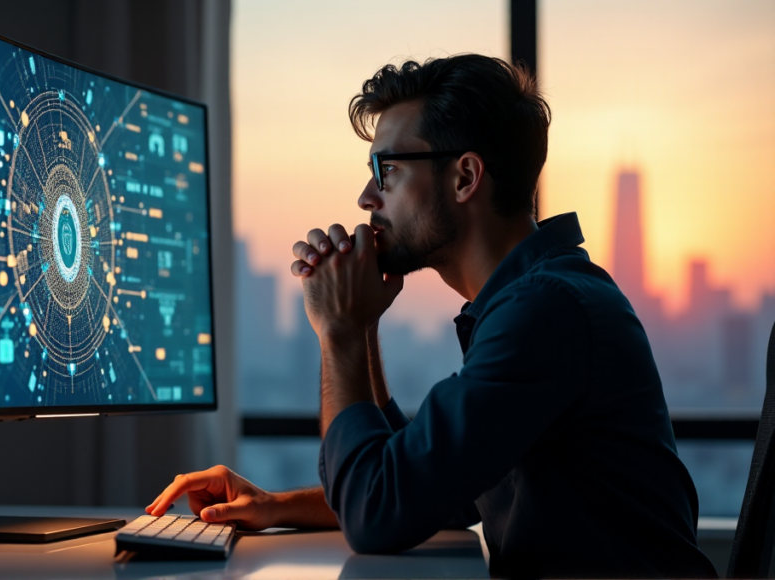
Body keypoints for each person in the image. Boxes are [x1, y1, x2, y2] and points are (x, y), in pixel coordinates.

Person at [146, 54, 717, 578]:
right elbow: (434, 486)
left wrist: (338, 329)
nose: (368, 196)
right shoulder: (533, 299)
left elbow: (378, 513)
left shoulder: (544, 312)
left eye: (386, 169)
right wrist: (273, 506)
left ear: (465, 177)